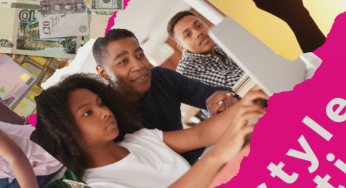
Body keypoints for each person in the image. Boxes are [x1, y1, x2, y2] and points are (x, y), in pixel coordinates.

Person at [32, 74, 264, 188]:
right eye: (87, 113)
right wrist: (215, 158)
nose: (104, 112)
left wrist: (248, 102)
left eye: (101, 104)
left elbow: (200, 134)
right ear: (65, 133)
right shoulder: (95, 186)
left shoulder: (140, 140)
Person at [92, 28, 238, 134]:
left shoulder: (162, 78)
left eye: (140, 55)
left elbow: (213, 95)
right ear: (103, 72)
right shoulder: (107, 113)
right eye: (123, 61)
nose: (139, 65)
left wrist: (224, 101)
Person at [165, 9, 246, 94]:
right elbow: (234, 83)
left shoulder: (217, 43)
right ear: (182, 47)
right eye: (188, 35)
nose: (198, 33)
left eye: (199, 25)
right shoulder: (186, 68)